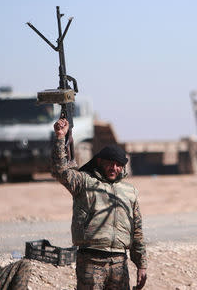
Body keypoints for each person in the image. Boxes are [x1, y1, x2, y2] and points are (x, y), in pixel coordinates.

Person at [52, 118, 147, 290]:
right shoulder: (84, 183)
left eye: (118, 165)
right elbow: (61, 171)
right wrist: (60, 137)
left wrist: (141, 265)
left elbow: (137, 231)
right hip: (90, 260)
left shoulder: (129, 192)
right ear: (99, 162)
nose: (114, 168)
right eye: (110, 163)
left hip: (119, 262)